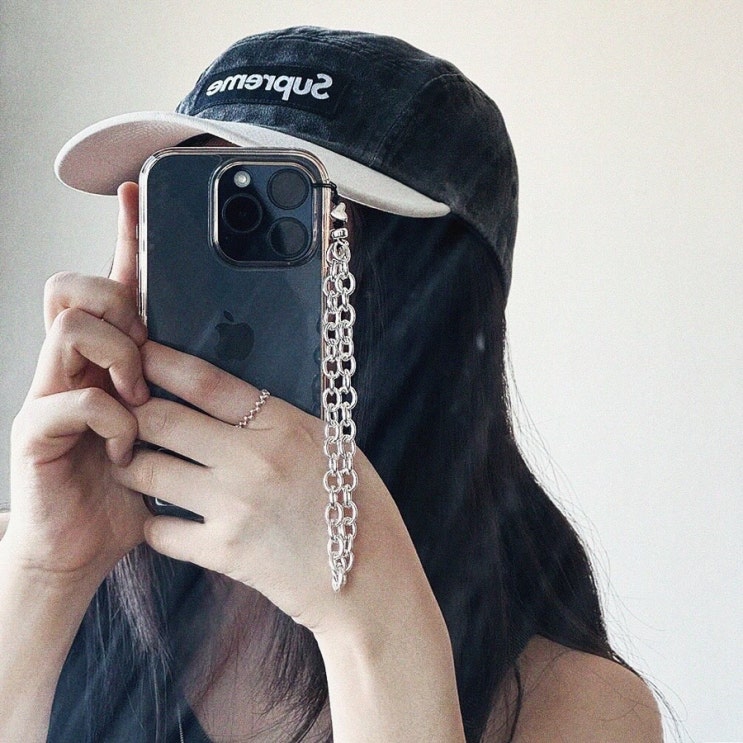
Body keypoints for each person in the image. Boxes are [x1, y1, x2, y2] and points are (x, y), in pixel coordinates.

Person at [0, 27, 662, 742]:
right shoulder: (28, 568)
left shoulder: (573, 704)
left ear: (438, 312)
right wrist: (44, 576)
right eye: (188, 222)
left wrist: (372, 618)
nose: (225, 307)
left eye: (290, 237)